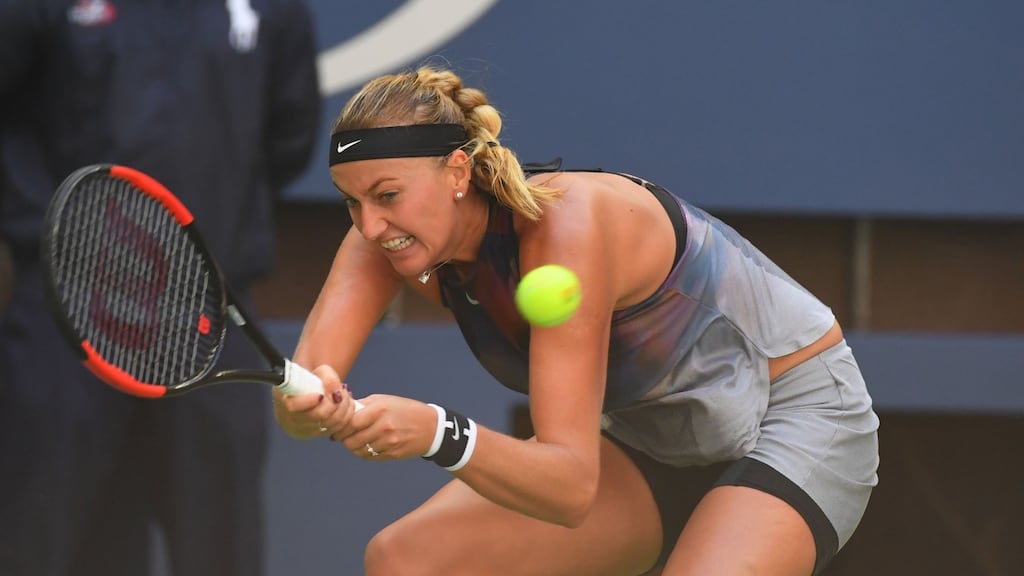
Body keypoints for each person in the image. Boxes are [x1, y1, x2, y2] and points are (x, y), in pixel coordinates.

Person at [272, 65, 880, 576]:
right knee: (406, 560)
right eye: (351, 201)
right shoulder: (378, 242)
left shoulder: (567, 225)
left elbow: (567, 487)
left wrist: (437, 431)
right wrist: (309, 404)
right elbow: (299, 398)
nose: (370, 224)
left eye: (387, 195)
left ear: (457, 172)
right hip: (648, 438)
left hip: (790, 417)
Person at [0, 1, 321, 575]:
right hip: (64, 316)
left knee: (221, 551)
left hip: (209, 314)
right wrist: (51, 230)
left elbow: (289, 136)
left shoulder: (273, 10)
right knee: (38, 543)